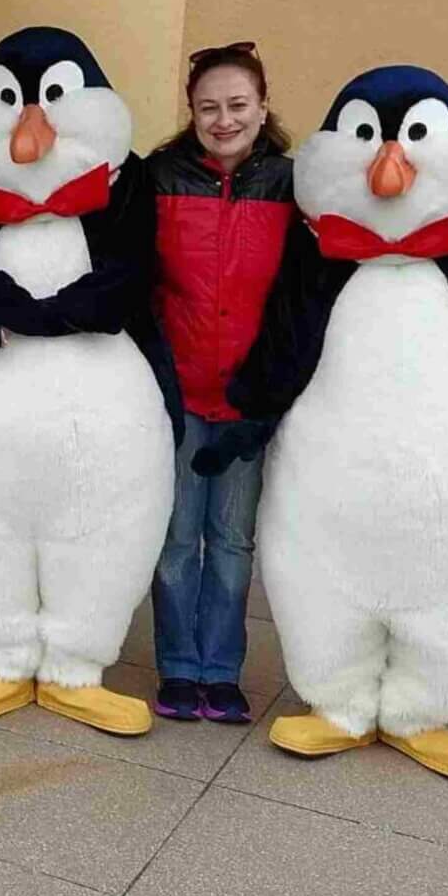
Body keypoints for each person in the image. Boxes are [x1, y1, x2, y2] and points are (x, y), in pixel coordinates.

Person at [143, 41, 295, 724]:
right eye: (209, 107)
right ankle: (178, 667)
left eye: (237, 105)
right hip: (177, 392)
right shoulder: (159, 177)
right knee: (177, 540)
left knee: (232, 542)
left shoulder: (291, 184)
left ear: (262, 107)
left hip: (247, 400)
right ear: (191, 111)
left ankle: (221, 671)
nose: (224, 120)